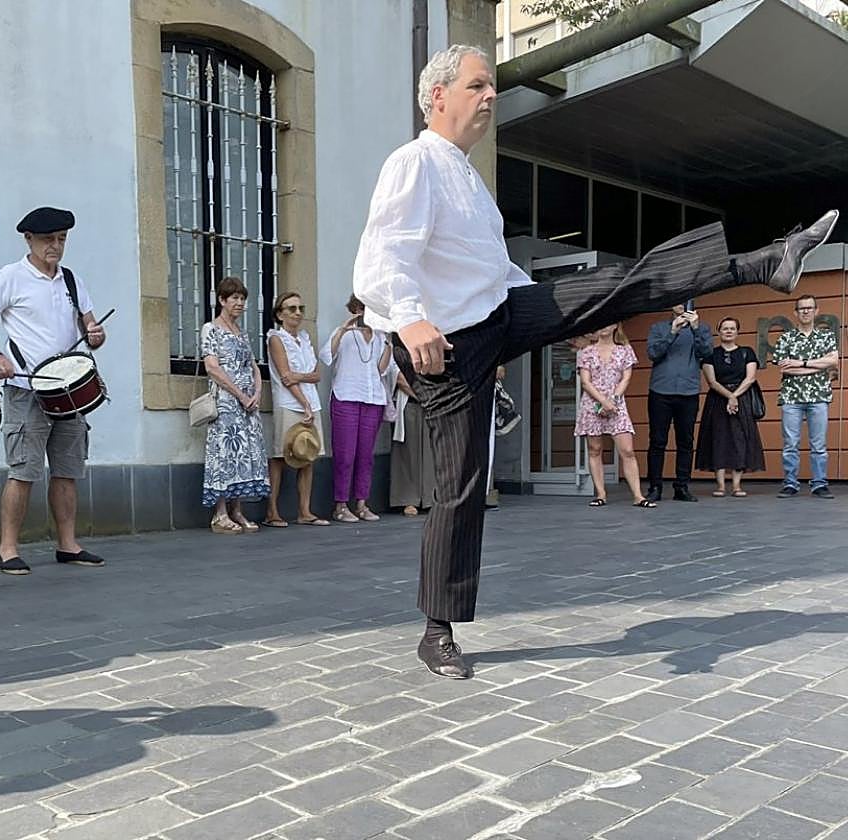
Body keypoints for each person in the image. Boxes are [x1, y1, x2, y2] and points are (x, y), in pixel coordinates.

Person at [353, 44, 838, 679]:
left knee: (621, 283)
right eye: (478, 85)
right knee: (462, 486)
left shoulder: (469, 177)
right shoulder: (414, 162)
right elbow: (382, 255)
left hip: (500, 311)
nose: (490, 96)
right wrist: (411, 315)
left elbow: (492, 269)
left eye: (492, 86)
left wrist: (569, 314)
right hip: (444, 345)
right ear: (438, 95)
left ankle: (762, 264)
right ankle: (436, 629)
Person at [0, 207, 107, 573]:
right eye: (48, 240)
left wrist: (96, 334)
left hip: (69, 389)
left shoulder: (71, 280)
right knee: (24, 470)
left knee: (67, 470)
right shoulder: (12, 277)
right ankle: (8, 550)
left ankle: (68, 544)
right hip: (26, 388)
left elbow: (90, 326)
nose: (55, 247)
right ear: (29, 239)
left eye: (61, 240)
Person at [202, 276, 270, 534]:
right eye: (234, 298)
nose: (240, 303)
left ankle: (237, 510)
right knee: (225, 454)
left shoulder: (242, 333)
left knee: (244, 455)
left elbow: (253, 365)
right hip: (227, 403)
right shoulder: (211, 329)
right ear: (222, 300)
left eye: (242, 299)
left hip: (247, 404)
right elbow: (212, 368)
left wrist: (258, 392)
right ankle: (219, 514)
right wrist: (240, 395)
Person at [319, 295, 396, 523]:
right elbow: (326, 356)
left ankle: (362, 503)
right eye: (362, 308)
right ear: (355, 309)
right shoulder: (343, 334)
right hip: (346, 397)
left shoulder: (381, 337)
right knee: (345, 454)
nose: (366, 314)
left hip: (372, 399)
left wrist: (390, 342)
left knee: (366, 455)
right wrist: (344, 329)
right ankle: (340, 505)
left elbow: (382, 370)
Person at [262, 291, 329, 527]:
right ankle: (272, 511)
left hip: (310, 402)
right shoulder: (276, 339)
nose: (298, 313)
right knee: (282, 455)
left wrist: (301, 378)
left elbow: (316, 375)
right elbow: (284, 377)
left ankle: (305, 510)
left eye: (300, 308)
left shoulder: (305, 339)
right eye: (291, 309)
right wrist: (304, 403)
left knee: (307, 455)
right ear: (280, 314)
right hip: (290, 403)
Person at [574, 324, 654, 508]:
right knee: (594, 449)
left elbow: (626, 378)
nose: (603, 327)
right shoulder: (586, 351)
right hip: (592, 404)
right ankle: (600, 494)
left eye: (608, 323)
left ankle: (638, 496)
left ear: (616, 326)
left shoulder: (624, 350)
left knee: (627, 450)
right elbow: (585, 382)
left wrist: (613, 401)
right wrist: (603, 401)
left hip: (616, 405)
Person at [645, 304, 712, 502]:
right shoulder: (658, 327)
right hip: (660, 390)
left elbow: (707, 353)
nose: (682, 304)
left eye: (686, 300)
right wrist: (672, 331)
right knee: (657, 441)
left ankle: (681, 486)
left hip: (688, 391)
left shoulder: (702, 328)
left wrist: (696, 328)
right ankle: (655, 486)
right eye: (678, 300)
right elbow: (653, 353)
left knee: (685, 441)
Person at [774, 294, 838, 499]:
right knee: (790, 444)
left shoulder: (826, 337)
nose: (806, 311)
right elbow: (784, 368)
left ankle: (819, 484)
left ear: (816, 311)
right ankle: (790, 484)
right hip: (791, 398)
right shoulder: (786, 338)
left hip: (819, 396)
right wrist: (816, 365)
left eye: (809, 308)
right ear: (795, 312)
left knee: (819, 444)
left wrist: (800, 363)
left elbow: (833, 362)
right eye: (802, 308)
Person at [695, 317, 765, 495]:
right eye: (725, 328)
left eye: (732, 328)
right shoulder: (710, 354)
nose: (728, 331)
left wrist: (734, 397)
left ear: (737, 332)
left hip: (742, 398)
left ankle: (736, 485)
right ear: (719, 332)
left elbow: (750, 378)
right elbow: (711, 381)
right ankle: (720, 485)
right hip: (718, 399)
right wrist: (729, 397)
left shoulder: (747, 352)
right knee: (718, 439)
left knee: (739, 439)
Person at [390, 370, 435, 517]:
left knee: (432, 451)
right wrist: (422, 397)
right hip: (409, 400)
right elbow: (399, 377)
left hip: (435, 401)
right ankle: (408, 499)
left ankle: (431, 497)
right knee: (408, 451)